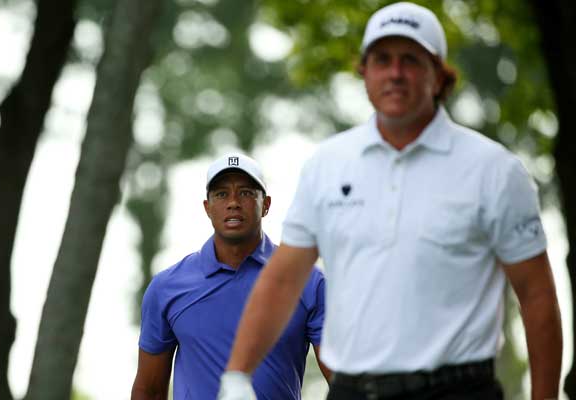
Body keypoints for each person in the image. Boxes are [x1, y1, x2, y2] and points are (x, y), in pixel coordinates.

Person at [217, 2, 562, 400]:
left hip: (458, 391)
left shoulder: (494, 171)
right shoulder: (327, 165)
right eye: (382, 60)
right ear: (364, 72)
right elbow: (282, 280)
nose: (395, 73)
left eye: (411, 60)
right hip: (352, 390)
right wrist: (237, 375)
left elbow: (536, 295)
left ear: (439, 75)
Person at [131, 153, 330, 400]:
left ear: (266, 204)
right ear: (208, 207)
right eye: (221, 194)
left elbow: (343, 380)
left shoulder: (307, 281)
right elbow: (148, 390)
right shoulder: (167, 287)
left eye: (246, 193)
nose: (233, 202)